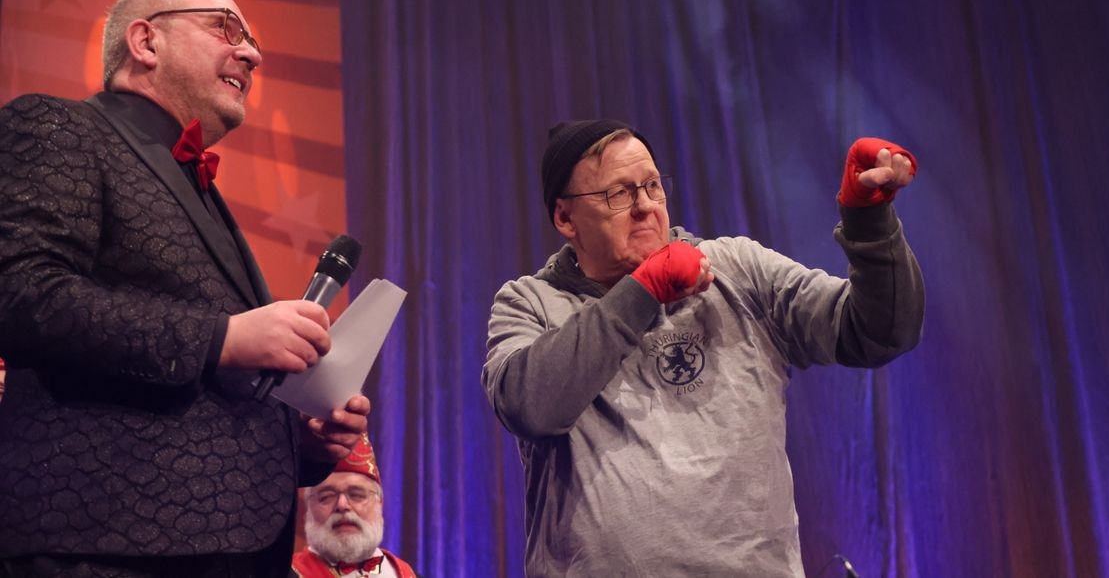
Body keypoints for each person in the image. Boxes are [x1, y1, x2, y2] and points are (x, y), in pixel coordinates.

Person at [0, 0, 370, 577]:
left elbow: (201, 402)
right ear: (146, 43)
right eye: (226, 27)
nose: (252, 52)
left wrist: (299, 447)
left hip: (225, 553)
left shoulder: (195, 181)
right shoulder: (58, 127)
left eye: (250, 39)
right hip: (105, 547)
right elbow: (21, 294)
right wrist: (222, 338)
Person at [482, 119, 925, 576]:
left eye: (652, 186)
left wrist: (870, 225)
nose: (644, 207)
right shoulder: (529, 302)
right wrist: (642, 291)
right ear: (565, 218)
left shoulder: (736, 267)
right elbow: (531, 406)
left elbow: (880, 332)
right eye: (618, 194)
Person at [291, 435, 417, 578]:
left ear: (380, 503)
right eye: (326, 497)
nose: (342, 505)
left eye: (357, 495)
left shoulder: (405, 573)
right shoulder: (286, 573)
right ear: (308, 509)